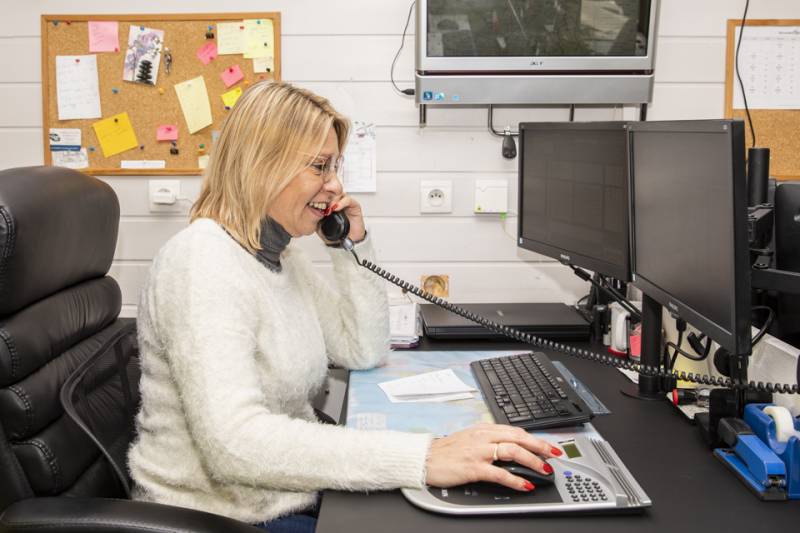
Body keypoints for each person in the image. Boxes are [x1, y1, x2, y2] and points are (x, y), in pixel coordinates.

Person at [127, 81, 561, 533]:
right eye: (320, 166)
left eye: (334, 166)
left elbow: (362, 348)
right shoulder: (203, 261)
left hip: (286, 494)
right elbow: (234, 443)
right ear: (262, 165)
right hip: (222, 516)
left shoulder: (280, 256)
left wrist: (351, 246)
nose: (335, 185)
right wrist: (424, 456)